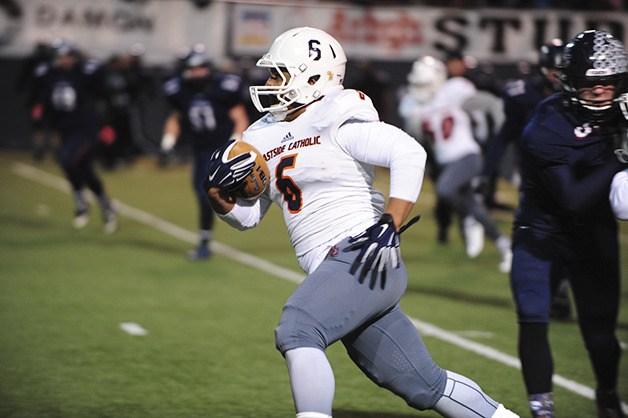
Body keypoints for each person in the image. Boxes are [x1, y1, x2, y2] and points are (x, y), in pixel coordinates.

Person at [205, 27, 519, 418]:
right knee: (424, 385)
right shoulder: (262, 133)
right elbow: (251, 217)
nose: (269, 83)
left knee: (298, 328)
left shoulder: (335, 114)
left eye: (279, 74)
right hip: (338, 270)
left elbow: (408, 152)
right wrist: (221, 202)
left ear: (314, 76)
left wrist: (392, 219)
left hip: (363, 252)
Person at [510, 30, 627, 418]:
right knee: (534, 319)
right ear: (571, 83)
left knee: (600, 336)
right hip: (542, 233)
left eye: (608, 83)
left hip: (595, 232)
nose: (600, 92)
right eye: (590, 84)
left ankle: (608, 396)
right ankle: (542, 412)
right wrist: (619, 155)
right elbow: (573, 201)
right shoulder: (547, 124)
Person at [481, 39, 573, 319]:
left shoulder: (577, 97)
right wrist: (487, 173)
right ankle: (547, 291)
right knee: (533, 235)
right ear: (543, 69)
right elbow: (505, 135)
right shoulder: (522, 95)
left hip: (570, 176)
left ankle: (561, 287)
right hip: (534, 179)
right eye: (554, 70)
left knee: (569, 237)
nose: (558, 76)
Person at [398, 55, 512, 272]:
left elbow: (486, 103)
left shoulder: (455, 90)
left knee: (445, 190)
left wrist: (490, 128)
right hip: (448, 162)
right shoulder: (413, 106)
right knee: (476, 207)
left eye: (424, 84)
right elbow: (418, 137)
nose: (419, 89)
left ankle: (469, 219)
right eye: (417, 84)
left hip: (467, 156)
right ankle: (504, 245)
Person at [160, 45, 249, 260]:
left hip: (223, 150)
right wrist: (167, 143)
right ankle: (206, 238)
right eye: (193, 68)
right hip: (200, 152)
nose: (197, 72)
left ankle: (205, 242)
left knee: (211, 195)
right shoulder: (180, 91)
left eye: (201, 68)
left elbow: (240, 118)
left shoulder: (223, 87)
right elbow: (176, 118)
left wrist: (234, 144)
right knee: (202, 196)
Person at [31, 39, 118, 233]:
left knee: (67, 159)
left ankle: (80, 200)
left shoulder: (84, 72)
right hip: (65, 129)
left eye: (68, 56)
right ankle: (106, 206)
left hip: (86, 128)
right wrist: (40, 110)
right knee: (86, 171)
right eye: (60, 57)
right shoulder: (48, 75)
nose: (65, 60)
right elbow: (44, 97)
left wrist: (106, 126)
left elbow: (103, 92)